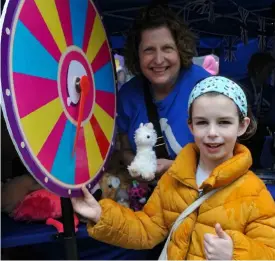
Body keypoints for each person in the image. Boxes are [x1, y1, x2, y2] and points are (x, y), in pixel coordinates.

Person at [72, 76, 275, 260]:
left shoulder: (255, 194)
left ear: (242, 126)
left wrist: (234, 254)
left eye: (224, 122)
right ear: (190, 126)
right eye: (202, 122)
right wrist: (100, 214)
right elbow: (147, 229)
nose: (212, 133)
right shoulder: (176, 177)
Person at [117, 5, 210, 179]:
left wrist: (177, 168)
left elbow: (227, 153)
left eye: (167, 48)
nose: (159, 60)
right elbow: (125, 150)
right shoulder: (128, 96)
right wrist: (140, 168)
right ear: (137, 55)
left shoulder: (204, 86)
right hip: (150, 198)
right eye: (149, 50)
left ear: (180, 50)